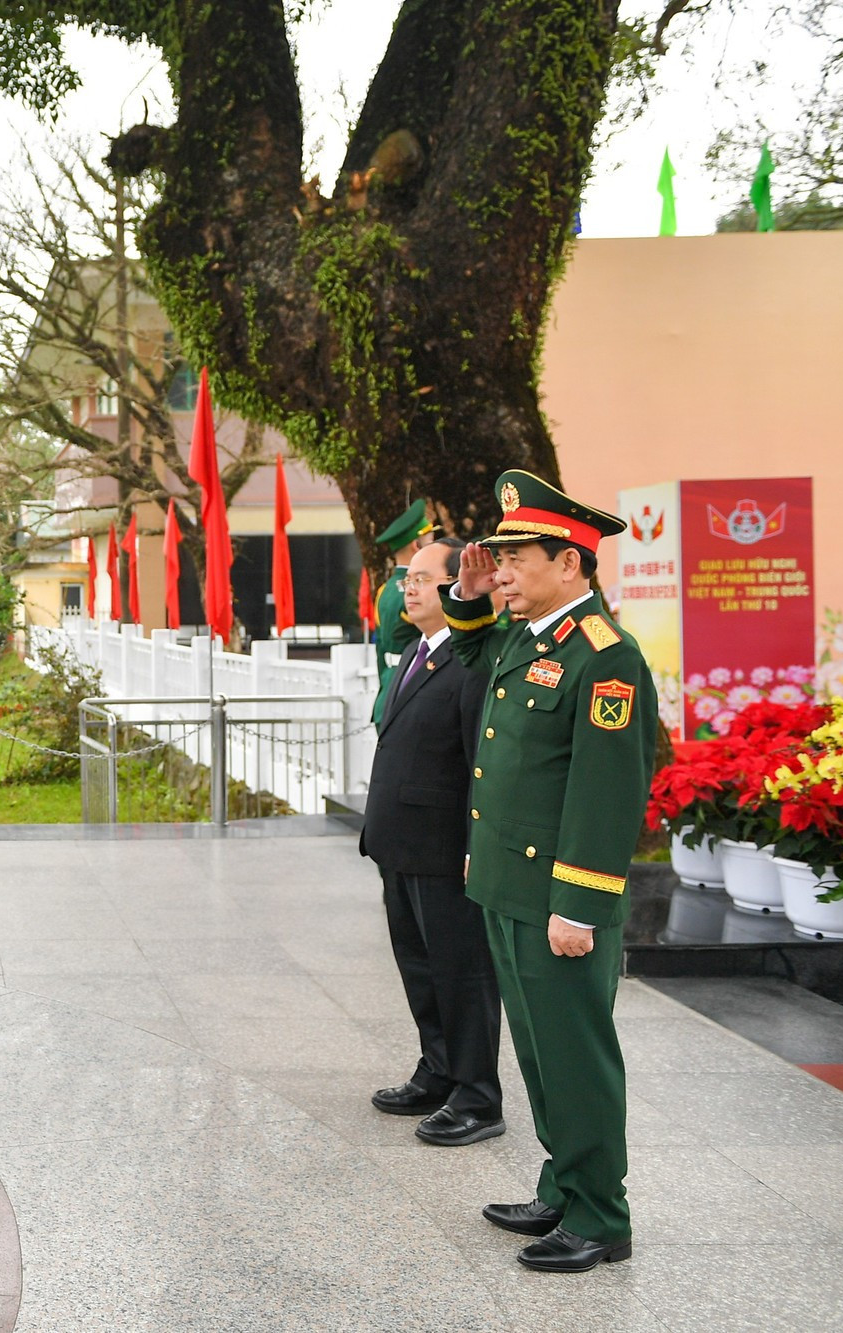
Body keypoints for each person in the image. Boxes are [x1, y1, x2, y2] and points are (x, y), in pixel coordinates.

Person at [439, 469, 657, 1274]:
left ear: (570, 562)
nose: (500, 569)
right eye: (497, 555)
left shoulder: (606, 660)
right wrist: (467, 594)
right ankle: (562, 1184)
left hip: (558, 899)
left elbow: (605, 796)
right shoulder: (530, 639)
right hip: (507, 885)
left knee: (576, 1051)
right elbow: (468, 644)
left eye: (514, 555)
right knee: (536, 1049)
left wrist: (579, 904)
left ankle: (602, 1213)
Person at [359, 537, 502, 1146]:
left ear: (462, 588)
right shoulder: (417, 653)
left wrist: (477, 844)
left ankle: (477, 1095)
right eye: (406, 578)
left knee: (461, 973)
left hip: (445, 848)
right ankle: (438, 1069)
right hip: (402, 845)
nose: (409, 588)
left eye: (423, 578)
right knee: (420, 967)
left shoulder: (473, 663)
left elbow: (481, 760)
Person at [369, 499, 437, 726]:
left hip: (389, 687)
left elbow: (380, 650)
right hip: (412, 689)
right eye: (430, 540)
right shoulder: (419, 590)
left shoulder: (384, 590)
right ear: (416, 546)